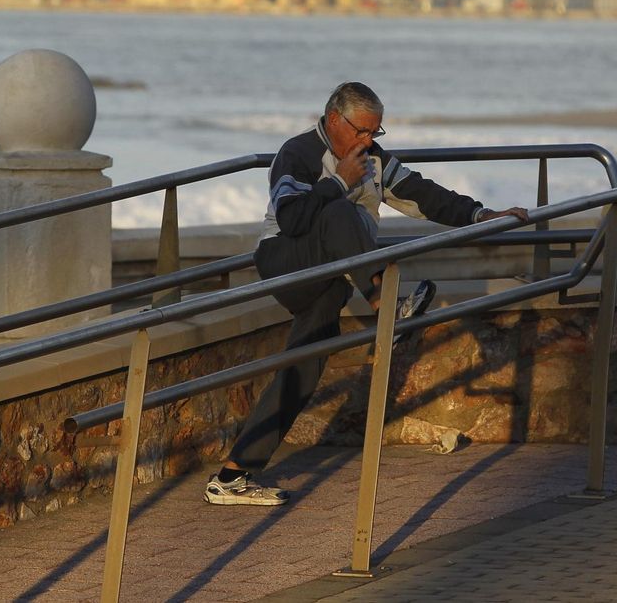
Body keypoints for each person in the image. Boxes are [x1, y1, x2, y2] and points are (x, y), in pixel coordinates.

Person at [205, 82, 528, 505]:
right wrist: (339, 182)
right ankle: (385, 310)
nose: (368, 141)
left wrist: (481, 214)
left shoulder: (373, 160)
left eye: (375, 133)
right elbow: (294, 217)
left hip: (331, 276)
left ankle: (231, 477)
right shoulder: (298, 153)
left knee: (302, 368)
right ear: (335, 119)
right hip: (287, 261)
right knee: (341, 210)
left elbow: (423, 196)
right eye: (361, 131)